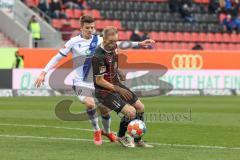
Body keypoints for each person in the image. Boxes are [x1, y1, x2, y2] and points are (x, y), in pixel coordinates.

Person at [34, 15, 155, 145]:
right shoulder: (73, 42)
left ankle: (107, 132)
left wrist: (138, 44)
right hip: (81, 82)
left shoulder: (98, 40)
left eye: (92, 27)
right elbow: (57, 57)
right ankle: (97, 130)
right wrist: (43, 73)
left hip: (96, 82)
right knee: (90, 104)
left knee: (104, 110)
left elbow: (117, 43)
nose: (90, 30)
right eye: (87, 28)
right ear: (81, 28)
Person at [92, 26, 154, 148]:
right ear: (103, 39)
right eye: (111, 41)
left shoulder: (113, 46)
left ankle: (137, 140)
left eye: (116, 41)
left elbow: (118, 51)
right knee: (130, 113)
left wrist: (118, 71)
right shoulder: (98, 56)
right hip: (104, 91)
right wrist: (117, 88)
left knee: (140, 107)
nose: (114, 44)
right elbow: (99, 81)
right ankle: (121, 136)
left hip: (116, 84)